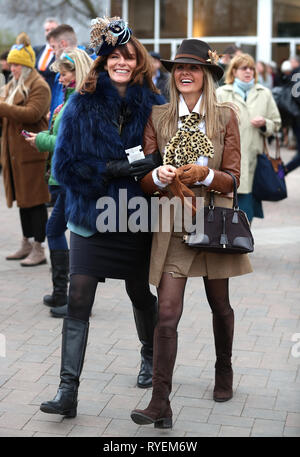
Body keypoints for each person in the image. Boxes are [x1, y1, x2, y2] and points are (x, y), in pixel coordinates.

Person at [39, 16, 165, 418]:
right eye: (114, 56)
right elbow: (67, 166)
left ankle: (149, 356)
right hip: (93, 215)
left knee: (139, 292)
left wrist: (153, 163)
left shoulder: (154, 105)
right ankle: (67, 391)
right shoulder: (81, 103)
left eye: (129, 56)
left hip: (135, 214)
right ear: (103, 60)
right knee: (78, 296)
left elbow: (170, 155)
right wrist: (108, 170)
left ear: (138, 62)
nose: (122, 63)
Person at [130, 39, 253, 429]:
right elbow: (145, 180)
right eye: (178, 68)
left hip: (214, 223)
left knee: (220, 305)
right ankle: (160, 403)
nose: (184, 73)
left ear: (207, 75)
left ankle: (224, 368)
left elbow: (234, 178)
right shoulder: (159, 117)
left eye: (193, 68)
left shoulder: (224, 117)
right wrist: (158, 176)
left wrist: (208, 175)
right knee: (166, 313)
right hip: (173, 225)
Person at [25, 48, 94, 317]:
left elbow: (72, 144)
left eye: (64, 74)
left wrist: (40, 140)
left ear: (77, 72)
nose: (61, 79)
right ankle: (63, 294)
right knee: (64, 231)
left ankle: (70, 296)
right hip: (66, 176)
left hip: (73, 177)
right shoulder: (71, 99)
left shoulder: (79, 102)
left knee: (59, 231)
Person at [0, 33, 51, 266]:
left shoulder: (39, 85)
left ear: (27, 66)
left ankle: (39, 248)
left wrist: (2, 107)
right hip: (13, 153)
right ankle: (26, 242)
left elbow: (32, 114)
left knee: (36, 201)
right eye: (11, 64)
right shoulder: (12, 85)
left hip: (31, 154)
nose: (12, 68)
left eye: (16, 64)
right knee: (21, 200)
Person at [216, 53, 281, 224]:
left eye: (251, 68)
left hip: (253, 162)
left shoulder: (264, 93)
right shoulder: (222, 93)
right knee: (225, 209)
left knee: (246, 211)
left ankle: (242, 246)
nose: (249, 72)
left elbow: (277, 123)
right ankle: (226, 245)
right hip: (227, 161)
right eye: (244, 68)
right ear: (234, 71)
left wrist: (265, 123)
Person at [34, 17, 60, 91]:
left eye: (53, 29)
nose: (50, 32)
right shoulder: (37, 50)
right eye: (47, 30)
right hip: (37, 91)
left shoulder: (63, 52)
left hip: (53, 92)